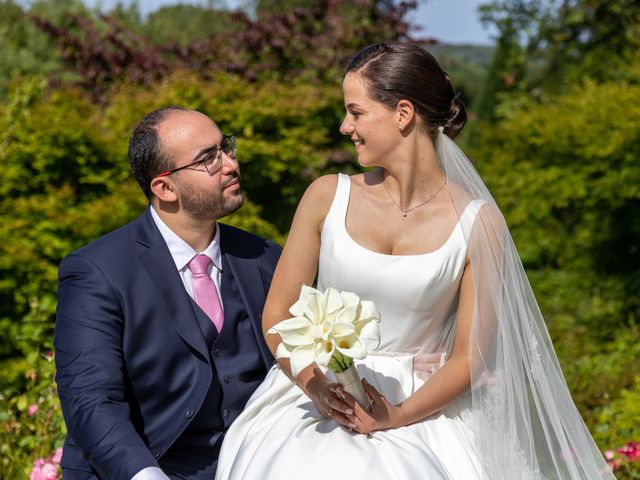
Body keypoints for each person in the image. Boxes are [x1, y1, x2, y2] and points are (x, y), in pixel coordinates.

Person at [214, 43, 615, 479]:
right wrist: (317, 385)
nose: (345, 125)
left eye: (356, 111)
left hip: (420, 404)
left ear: (403, 114)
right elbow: (276, 316)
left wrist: (397, 416)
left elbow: (469, 358)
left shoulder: (479, 225)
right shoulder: (326, 196)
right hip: (316, 393)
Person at [54, 107, 281, 480]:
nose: (230, 164)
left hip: (258, 462)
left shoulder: (266, 259)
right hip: (147, 466)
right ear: (164, 188)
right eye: (208, 158)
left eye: (226, 148)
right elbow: (91, 400)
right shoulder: (96, 271)